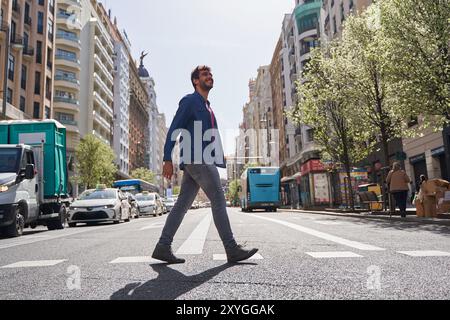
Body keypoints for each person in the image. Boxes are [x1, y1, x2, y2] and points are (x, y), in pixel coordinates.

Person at [151, 65, 258, 264]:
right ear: (195, 81)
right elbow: (174, 128)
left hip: (201, 159)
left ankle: (163, 246)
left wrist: (220, 157)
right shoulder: (190, 101)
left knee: (182, 204)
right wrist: (167, 158)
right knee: (218, 198)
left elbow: (211, 136)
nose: (209, 76)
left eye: (210, 74)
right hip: (197, 158)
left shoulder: (208, 107)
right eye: (204, 74)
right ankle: (231, 248)